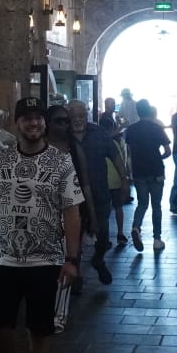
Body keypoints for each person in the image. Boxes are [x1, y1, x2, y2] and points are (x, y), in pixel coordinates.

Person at [0, 98, 84, 353]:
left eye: (38, 118)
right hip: (4, 258)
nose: (34, 123)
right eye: (27, 118)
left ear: (44, 124)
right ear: (16, 123)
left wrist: (72, 259)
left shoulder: (60, 162)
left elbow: (72, 211)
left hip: (46, 261)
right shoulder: (1, 160)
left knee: (41, 333)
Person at [70, 103, 123, 285]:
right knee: (73, 238)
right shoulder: (64, 136)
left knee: (103, 235)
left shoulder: (99, 133)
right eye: (74, 116)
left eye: (81, 116)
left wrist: (124, 180)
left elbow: (115, 155)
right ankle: (75, 275)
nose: (78, 120)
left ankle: (98, 259)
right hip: (71, 197)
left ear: (87, 116)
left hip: (99, 192)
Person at [45, 103, 93, 294]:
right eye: (60, 121)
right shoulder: (38, 148)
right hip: (46, 210)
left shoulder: (74, 149)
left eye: (67, 121)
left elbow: (85, 184)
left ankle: (71, 277)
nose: (65, 125)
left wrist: (92, 215)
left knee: (72, 245)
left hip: (72, 208)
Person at [122, 99, 171, 252]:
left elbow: (128, 153)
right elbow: (168, 151)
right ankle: (157, 239)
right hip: (156, 171)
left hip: (138, 171)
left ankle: (136, 227)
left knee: (142, 203)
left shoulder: (131, 130)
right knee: (156, 205)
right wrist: (159, 158)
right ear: (149, 111)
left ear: (137, 111)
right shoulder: (157, 128)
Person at [98, 112, 131, 247]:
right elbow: (123, 161)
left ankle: (103, 237)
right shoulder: (118, 143)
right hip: (117, 180)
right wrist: (126, 178)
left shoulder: (97, 143)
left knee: (104, 212)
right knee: (118, 208)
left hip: (103, 181)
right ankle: (120, 233)